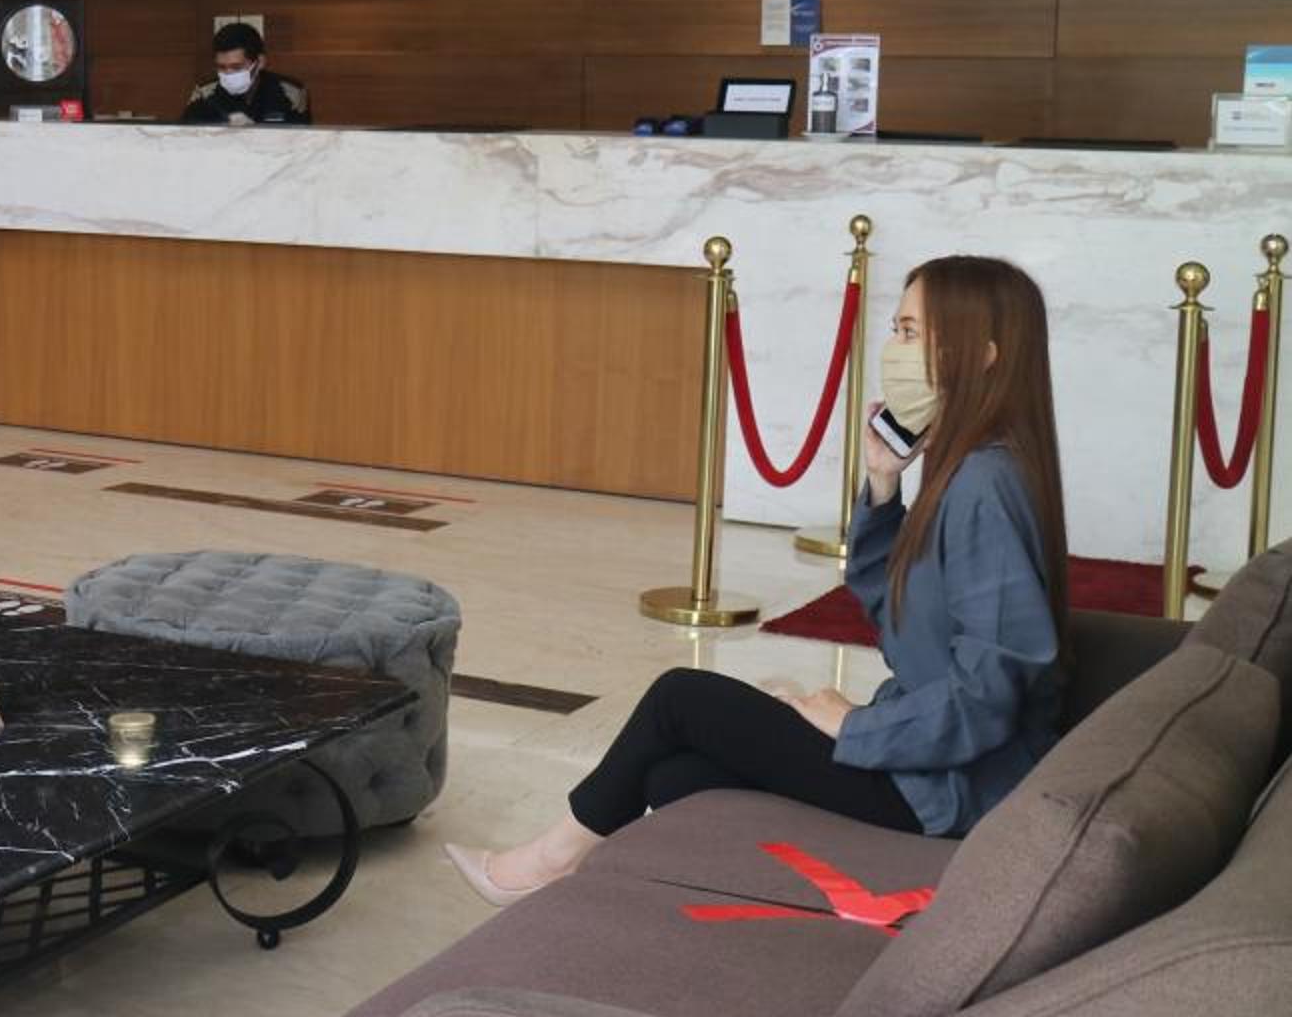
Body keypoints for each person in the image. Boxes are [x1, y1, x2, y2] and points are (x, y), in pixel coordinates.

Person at [447, 255, 1068, 904]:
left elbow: (989, 697)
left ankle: (546, 865)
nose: (894, 349)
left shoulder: (985, 486)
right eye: (897, 330)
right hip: (926, 760)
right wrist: (883, 486)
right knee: (673, 777)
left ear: (983, 355)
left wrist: (853, 726)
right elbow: (900, 624)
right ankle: (615, 889)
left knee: (681, 697)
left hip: (946, 789)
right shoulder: (963, 470)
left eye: (911, 333)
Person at [179, 21, 309, 127]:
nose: (228, 74)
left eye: (236, 67)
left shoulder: (290, 92)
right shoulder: (204, 93)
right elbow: (185, 139)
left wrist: (256, 133)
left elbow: (301, 143)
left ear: (260, 62)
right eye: (222, 67)